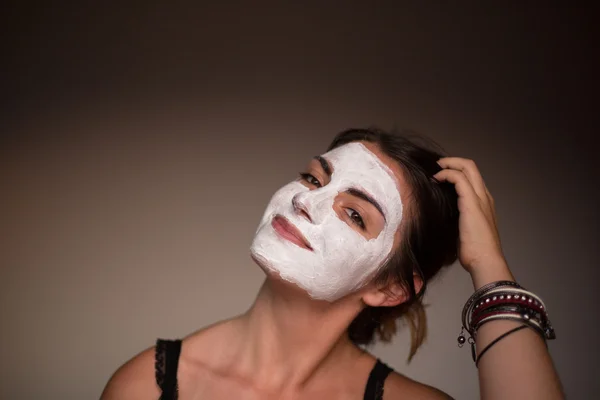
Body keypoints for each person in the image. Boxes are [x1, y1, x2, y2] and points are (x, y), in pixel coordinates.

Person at [101, 128, 564, 399]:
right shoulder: (147, 385)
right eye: (313, 177)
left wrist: (488, 265)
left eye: (355, 214)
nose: (307, 201)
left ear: (390, 289)